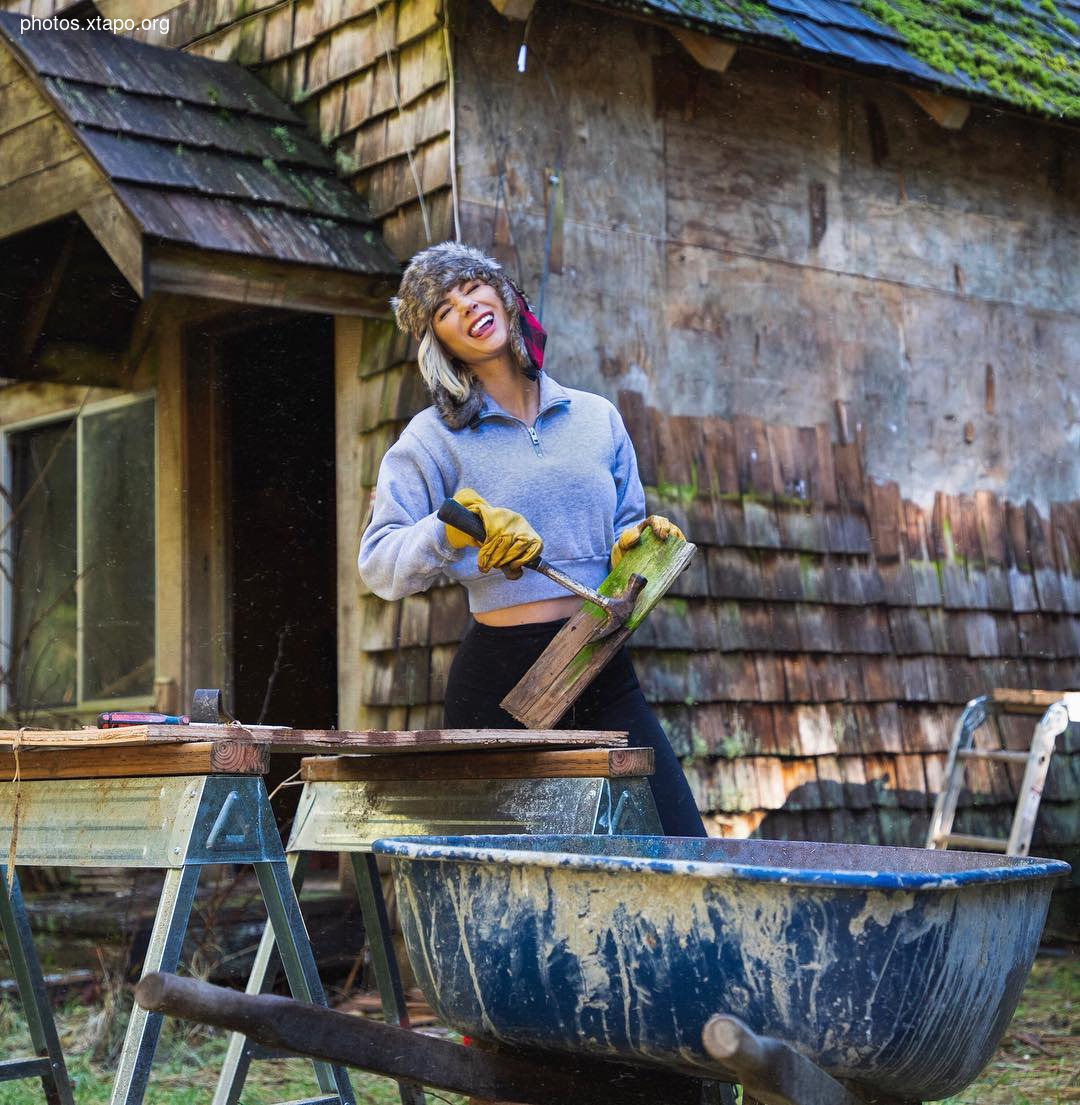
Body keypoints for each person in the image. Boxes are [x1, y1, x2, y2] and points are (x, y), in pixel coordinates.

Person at [357, 241, 706, 837]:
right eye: (444, 309)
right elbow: (379, 565)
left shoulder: (597, 418)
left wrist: (636, 545)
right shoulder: (432, 439)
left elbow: (626, 526)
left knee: (676, 843)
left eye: (472, 287)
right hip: (500, 679)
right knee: (495, 875)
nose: (466, 306)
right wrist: (452, 527)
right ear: (439, 345)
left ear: (504, 296)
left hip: (597, 660)